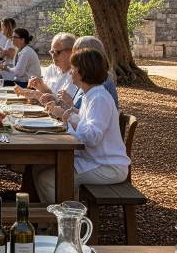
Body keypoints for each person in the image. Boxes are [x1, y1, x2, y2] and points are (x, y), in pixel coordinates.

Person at [34, 48, 130, 203]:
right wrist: (68, 111)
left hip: (107, 166)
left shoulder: (99, 98)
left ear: (82, 71)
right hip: (94, 159)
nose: (71, 72)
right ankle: (49, 216)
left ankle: (68, 215)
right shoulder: (91, 94)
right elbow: (85, 122)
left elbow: (92, 137)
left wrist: (67, 115)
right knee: (37, 167)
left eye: (73, 68)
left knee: (48, 179)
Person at [20, 32, 78, 104]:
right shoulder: (51, 69)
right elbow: (42, 97)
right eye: (52, 52)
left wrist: (45, 91)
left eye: (57, 52)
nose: (53, 56)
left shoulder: (77, 75)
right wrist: (35, 91)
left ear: (71, 52)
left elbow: (68, 107)